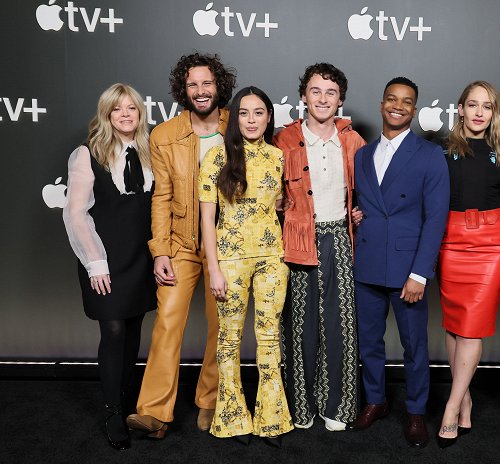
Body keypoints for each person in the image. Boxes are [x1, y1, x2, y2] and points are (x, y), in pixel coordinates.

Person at [126, 53, 236, 438]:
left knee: (223, 326)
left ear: (219, 85)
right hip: (181, 243)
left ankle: (211, 401)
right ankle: (154, 412)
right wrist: (160, 250)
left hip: (227, 245)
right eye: (193, 84)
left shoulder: (238, 125)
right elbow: (160, 197)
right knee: (168, 321)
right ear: (182, 89)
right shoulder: (164, 135)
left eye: (207, 83)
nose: (201, 91)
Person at [348, 77, 449, 448]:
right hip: (369, 263)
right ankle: (376, 401)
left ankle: (416, 412)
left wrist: (420, 273)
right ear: (381, 104)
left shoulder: (429, 155)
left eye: (407, 102)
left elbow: (436, 219)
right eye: (392, 99)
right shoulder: (362, 154)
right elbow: (361, 203)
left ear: (414, 109)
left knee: (414, 346)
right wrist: (356, 216)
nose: (398, 106)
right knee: (369, 342)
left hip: (409, 268)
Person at [273, 63, 366, 431]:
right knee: (299, 325)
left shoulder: (353, 140)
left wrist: (361, 212)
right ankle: (301, 407)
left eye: (330, 92)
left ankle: (337, 408)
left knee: (341, 322)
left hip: (340, 238)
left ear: (340, 99)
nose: (323, 98)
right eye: (315, 91)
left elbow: (368, 192)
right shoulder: (284, 140)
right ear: (303, 96)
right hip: (297, 238)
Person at [63, 83, 156, 450]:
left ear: (140, 113)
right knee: (114, 331)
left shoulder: (151, 152)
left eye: (131, 108)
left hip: (141, 258)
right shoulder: (87, 154)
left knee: (133, 331)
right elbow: (75, 214)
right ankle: (112, 410)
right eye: (117, 109)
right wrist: (95, 263)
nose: (125, 115)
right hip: (104, 258)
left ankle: (127, 400)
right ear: (106, 114)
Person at [199, 86, 293, 447]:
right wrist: (214, 269)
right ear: (234, 117)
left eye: (259, 113)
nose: (251, 120)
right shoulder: (216, 156)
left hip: (272, 258)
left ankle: (271, 418)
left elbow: (281, 204)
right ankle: (233, 417)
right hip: (230, 261)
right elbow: (207, 220)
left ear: (269, 117)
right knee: (230, 339)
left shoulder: (277, 156)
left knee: (269, 338)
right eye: (244, 113)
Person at [436, 81, 500, 448]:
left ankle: (451, 407)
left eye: (487, 106)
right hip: (451, 243)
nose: (479, 112)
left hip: (492, 245)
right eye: (473, 104)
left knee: (471, 329)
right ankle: (464, 396)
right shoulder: (443, 151)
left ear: (494, 112)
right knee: (454, 325)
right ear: (461, 109)